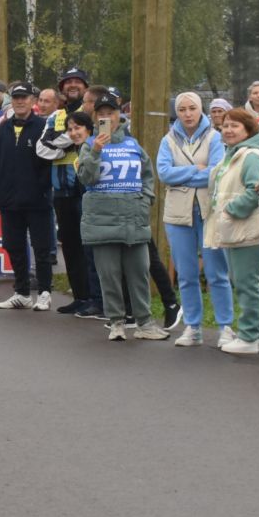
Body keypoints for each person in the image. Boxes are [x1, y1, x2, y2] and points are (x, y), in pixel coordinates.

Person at [76, 100, 165, 342]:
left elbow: (148, 174)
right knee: (109, 273)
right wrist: (95, 150)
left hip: (132, 217)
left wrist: (146, 199)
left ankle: (144, 322)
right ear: (95, 119)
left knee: (139, 271)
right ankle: (116, 322)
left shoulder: (133, 144)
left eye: (111, 114)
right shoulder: (88, 146)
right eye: (101, 115)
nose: (107, 118)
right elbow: (85, 178)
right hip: (102, 220)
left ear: (119, 116)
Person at [156, 91, 232, 347]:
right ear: (176, 113)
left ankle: (225, 327)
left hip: (209, 211)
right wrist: (196, 170)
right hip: (178, 214)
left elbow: (216, 172)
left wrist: (185, 175)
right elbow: (164, 174)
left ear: (201, 110)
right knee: (186, 274)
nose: (187, 114)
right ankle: (193, 326)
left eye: (192, 108)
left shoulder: (215, 137)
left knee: (216, 272)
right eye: (182, 109)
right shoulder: (168, 140)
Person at [212, 108, 259, 355]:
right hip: (235, 228)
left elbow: (256, 189)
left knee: (246, 283)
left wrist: (232, 209)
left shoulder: (251, 155)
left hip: (247, 227)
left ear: (248, 130)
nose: (228, 130)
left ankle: (249, 336)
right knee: (245, 281)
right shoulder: (233, 153)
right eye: (226, 125)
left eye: (235, 126)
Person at [0, 83, 54, 310]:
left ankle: (44, 292)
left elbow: (49, 161)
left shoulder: (43, 126)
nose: (19, 101)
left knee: (42, 248)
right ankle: (22, 292)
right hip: (9, 200)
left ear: (33, 100)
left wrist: (42, 187)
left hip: (37, 200)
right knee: (13, 246)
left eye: (24, 97)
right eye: (16, 97)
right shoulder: (3, 128)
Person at [44, 67, 100, 318]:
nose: (73, 86)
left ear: (86, 87)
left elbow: (90, 142)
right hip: (61, 189)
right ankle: (80, 297)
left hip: (85, 188)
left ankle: (96, 298)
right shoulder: (55, 115)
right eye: (68, 83)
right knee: (70, 246)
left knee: (90, 244)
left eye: (78, 82)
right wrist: (66, 140)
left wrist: (61, 141)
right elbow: (43, 147)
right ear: (62, 88)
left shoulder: (93, 112)